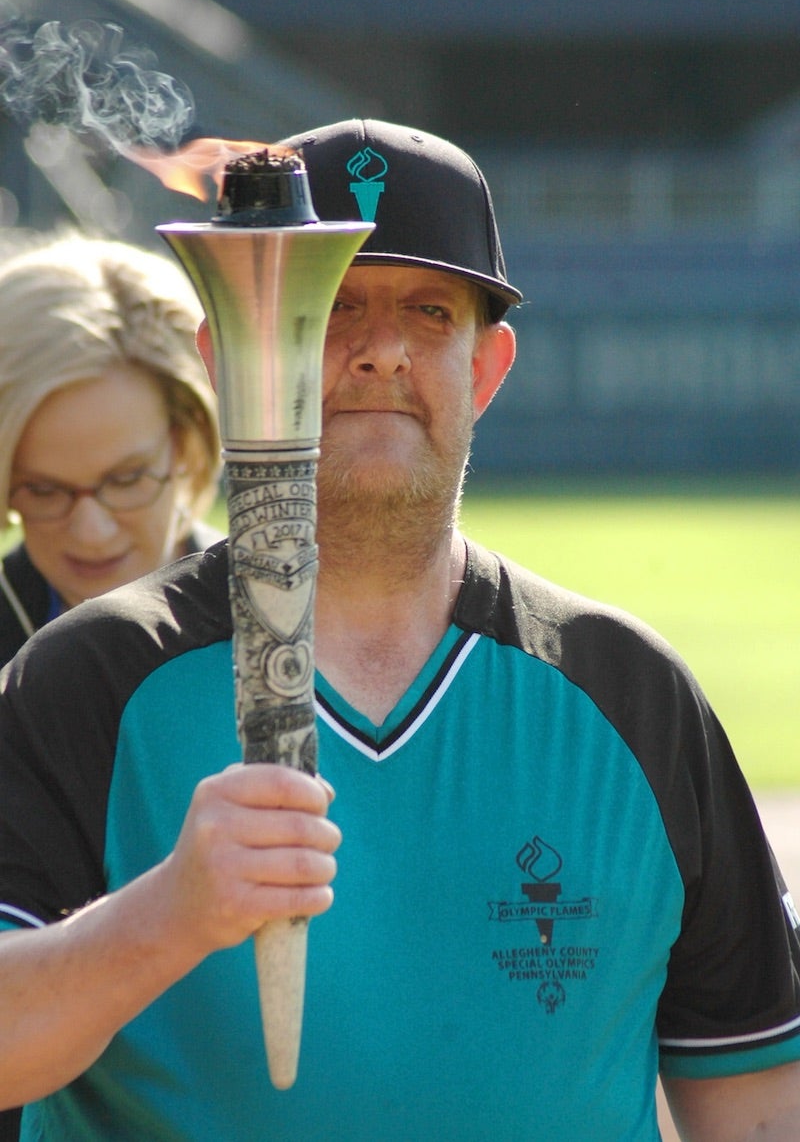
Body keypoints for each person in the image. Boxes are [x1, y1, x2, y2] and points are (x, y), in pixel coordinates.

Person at [0, 119, 798, 1141]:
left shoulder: (629, 694)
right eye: (333, 306)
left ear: (486, 367)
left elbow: (758, 1103)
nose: (380, 351)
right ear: (232, 356)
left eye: (428, 313)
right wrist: (163, 916)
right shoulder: (87, 682)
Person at [0, 230, 223, 669]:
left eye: (127, 479)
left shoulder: (283, 614)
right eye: (44, 491)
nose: (92, 533)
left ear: (184, 443)